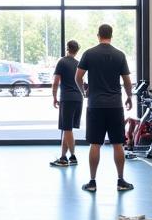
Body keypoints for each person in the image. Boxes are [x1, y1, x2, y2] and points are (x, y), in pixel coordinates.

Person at [75, 24, 134, 193]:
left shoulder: (89, 53)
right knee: (118, 144)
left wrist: (84, 92)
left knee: (95, 143)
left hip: (95, 105)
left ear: (98, 35)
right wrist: (129, 97)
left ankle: (92, 182)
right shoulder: (119, 55)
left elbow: (78, 77)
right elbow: (127, 81)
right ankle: (121, 181)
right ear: (111, 35)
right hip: (115, 105)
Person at [50, 40, 82, 167]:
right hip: (78, 98)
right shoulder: (78, 63)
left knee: (67, 129)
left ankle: (73, 156)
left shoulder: (62, 62)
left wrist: (54, 96)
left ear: (67, 48)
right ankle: (63, 157)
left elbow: (56, 82)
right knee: (66, 128)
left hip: (67, 99)